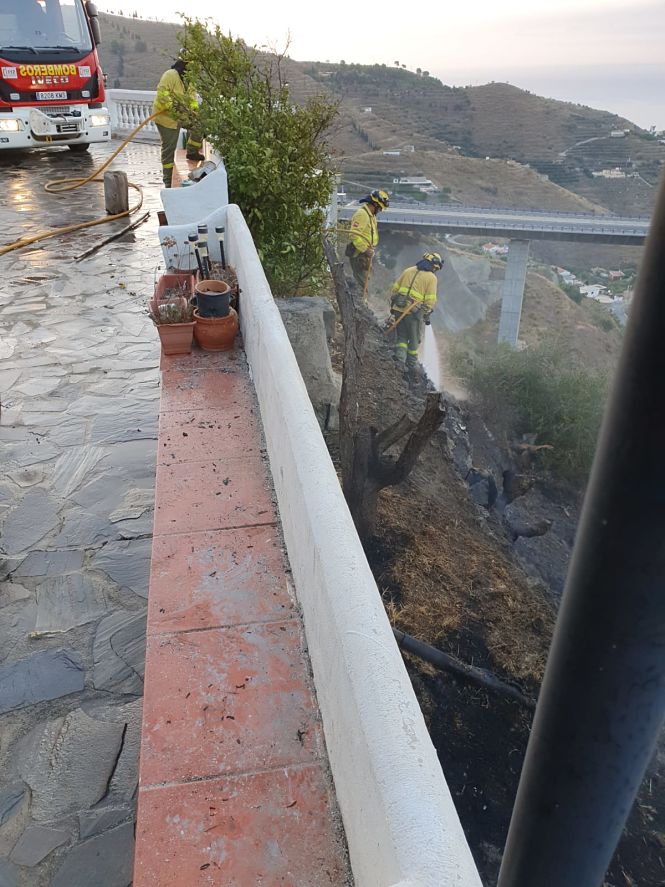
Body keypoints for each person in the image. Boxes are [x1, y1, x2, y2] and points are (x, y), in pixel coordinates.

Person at [152, 57, 204, 188]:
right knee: (169, 149)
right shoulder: (170, 75)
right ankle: (168, 181)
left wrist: (194, 113)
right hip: (166, 118)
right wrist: (175, 108)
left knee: (199, 125)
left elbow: (192, 99)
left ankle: (192, 152)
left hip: (181, 115)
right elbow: (163, 95)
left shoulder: (189, 81)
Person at [389, 252, 443, 377]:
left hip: (398, 309)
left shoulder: (408, 270)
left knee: (402, 336)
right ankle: (411, 364)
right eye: (436, 268)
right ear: (434, 266)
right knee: (414, 340)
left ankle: (399, 361)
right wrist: (424, 312)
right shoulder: (431, 278)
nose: (435, 271)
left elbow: (394, 290)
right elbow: (430, 300)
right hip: (412, 313)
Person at [345, 189, 390, 294]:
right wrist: (365, 250)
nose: (380, 211)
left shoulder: (371, 216)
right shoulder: (362, 214)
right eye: (380, 208)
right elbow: (353, 234)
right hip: (359, 254)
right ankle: (359, 305)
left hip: (365, 254)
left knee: (365, 281)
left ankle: (361, 302)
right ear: (375, 204)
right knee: (362, 284)